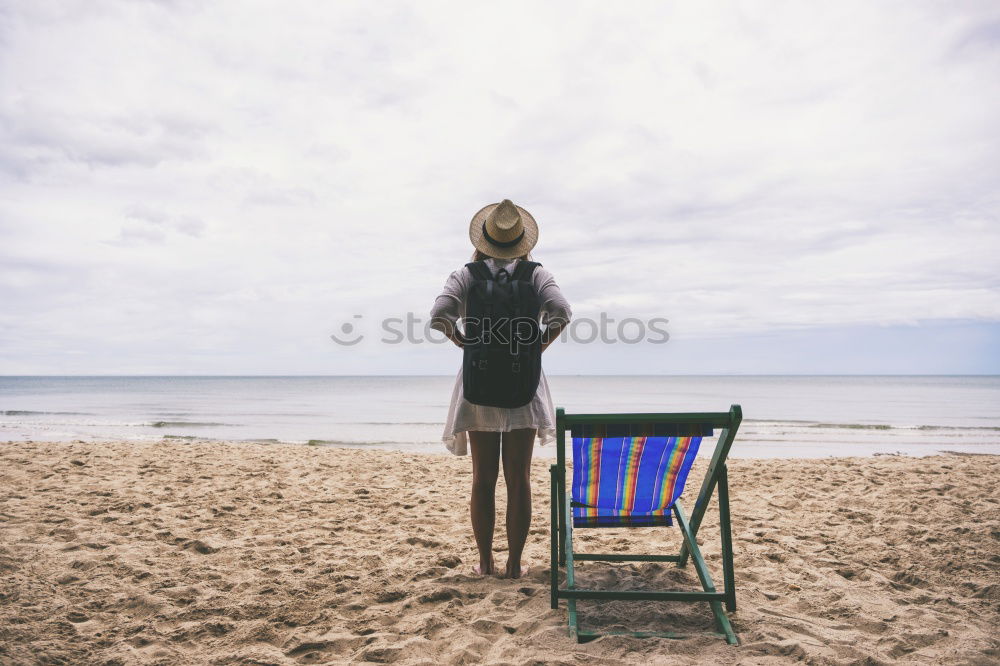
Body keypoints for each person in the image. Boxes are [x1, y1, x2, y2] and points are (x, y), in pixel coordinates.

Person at [429, 199, 572, 579]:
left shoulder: (464, 274)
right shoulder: (537, 275)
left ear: (484, 239)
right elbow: (563, 312)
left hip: (478, 386)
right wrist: (539, 344)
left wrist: (461, 340)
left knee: (483, 479)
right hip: (525, 383)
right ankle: (513, 565)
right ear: (523, 241)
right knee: (519, 478)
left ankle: (485, 562)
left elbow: (438, 315)